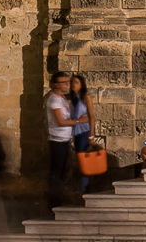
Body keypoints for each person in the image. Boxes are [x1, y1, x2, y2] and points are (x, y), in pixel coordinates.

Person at [43, 71, 82, 208]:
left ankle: (59, 200)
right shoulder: (54, 100)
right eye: (63, 82)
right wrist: (79, 121)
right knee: (56, 173)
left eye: (67, 82)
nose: (66, 85)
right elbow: (60, 121)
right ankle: (54, 203)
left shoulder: (61, 98)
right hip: (57, 141)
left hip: (64, 140)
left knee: (63, 172)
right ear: (55, 84)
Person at [67, 74, 95, 191]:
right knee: (79, 160)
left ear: (81, 85)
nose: (73, 84)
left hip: (84, 132)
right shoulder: (72, 98)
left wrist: (91, 136)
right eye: (72, 82)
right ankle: (83, 186)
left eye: (76, 82)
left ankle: (85, 188)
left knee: (83, 159)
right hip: (76, 132)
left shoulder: (85, 97)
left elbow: (92, 117)